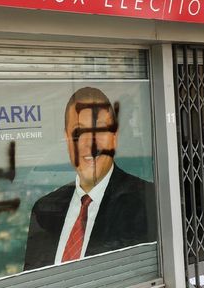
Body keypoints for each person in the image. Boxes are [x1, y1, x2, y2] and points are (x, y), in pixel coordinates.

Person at [23, 87, 157, 271]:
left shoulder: (147, 201)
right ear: (67, 139)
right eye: (79, 133)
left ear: (114, 137)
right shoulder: (44, 208)